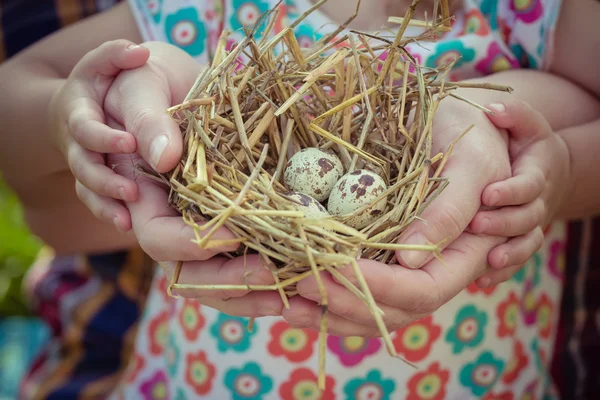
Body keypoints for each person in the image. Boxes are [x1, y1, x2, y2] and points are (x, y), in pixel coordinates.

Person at [0, 0, 598, 398]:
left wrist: (554, 171)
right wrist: (80, 115)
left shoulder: (535, 12)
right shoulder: (198, 11)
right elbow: (20, 96)